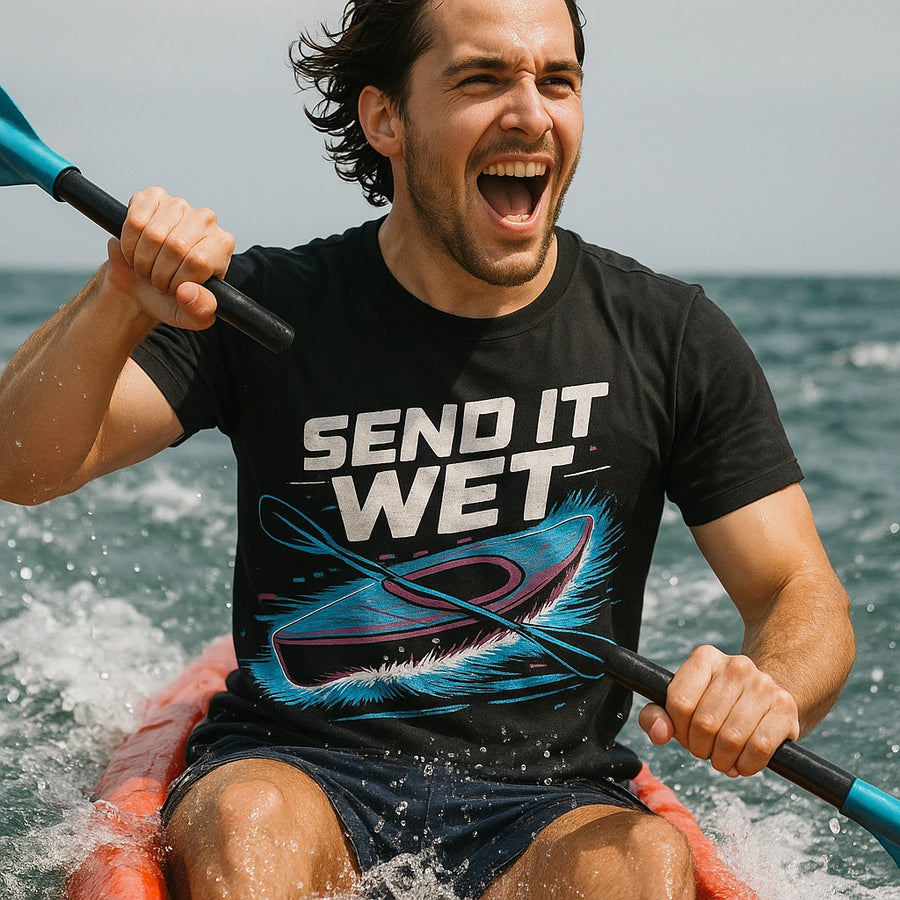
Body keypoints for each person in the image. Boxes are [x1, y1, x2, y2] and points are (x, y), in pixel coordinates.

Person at [0, 0, 855, 897]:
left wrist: (770, 687)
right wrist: (120, 296)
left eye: (556, 81)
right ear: (385, 119)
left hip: (553, 798)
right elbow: (20, 463)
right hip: (298, 768)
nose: (530, 112)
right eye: (482, 79)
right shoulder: (261, 308)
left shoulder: (669, 336)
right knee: (248, 823)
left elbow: (802, 595)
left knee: (642, 865)